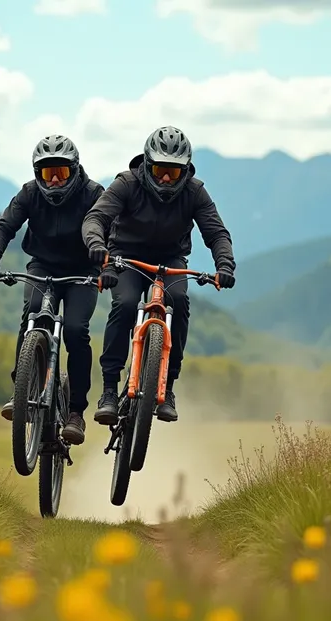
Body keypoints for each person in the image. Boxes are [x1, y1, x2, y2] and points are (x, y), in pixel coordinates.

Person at [81, 125, 236, 425]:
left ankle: (168, 386)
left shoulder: (195, 192)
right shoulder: (126, 183)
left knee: (178, 302)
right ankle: (110, 390)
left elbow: (216, 233)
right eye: (161, 170)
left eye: (174, 172)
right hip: (126, 257)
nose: (166, 178)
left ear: (185, 171)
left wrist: (225, 265)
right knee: (124, 305)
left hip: (170, 261)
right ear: (148, 165)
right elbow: (96, 217)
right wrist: (98, 246)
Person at [0, 134, 104, 445]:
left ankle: (76, 412)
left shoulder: (93, 194)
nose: (56, 181)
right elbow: (4, 226)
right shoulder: (30, 194)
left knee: (76, 331)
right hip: (43, 266)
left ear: (75, 170)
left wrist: (108, 269)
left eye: (62, 172)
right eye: (49, 174)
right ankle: (24, 389)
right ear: (38, 174)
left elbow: (108, 231)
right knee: (32, 315)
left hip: (83, 271)